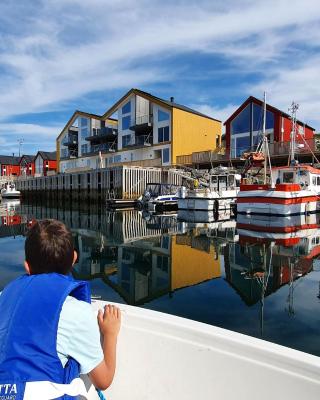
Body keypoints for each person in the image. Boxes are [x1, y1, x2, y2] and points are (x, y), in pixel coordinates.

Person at [0, 219, 121, 399]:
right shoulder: (75, 312)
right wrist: (110, 334)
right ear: (74, 258)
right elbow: (103, 380)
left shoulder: (4, 298)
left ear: (27, 266)